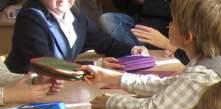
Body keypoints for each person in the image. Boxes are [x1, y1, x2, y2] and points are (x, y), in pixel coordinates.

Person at [85, 0, 221, 109]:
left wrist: (110, 102)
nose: (169, 25)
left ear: (188, 37)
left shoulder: (201, 76)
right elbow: (165, 86)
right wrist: (116, 79)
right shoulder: (211, 63)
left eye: (173, 22)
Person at [5, 0, 147, 74]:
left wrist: (133, 49)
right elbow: (46, 63)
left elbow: (105, 42)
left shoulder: (74, 12)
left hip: (63, 81)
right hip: (26, 84)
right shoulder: (31, 16)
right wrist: (93, 66)